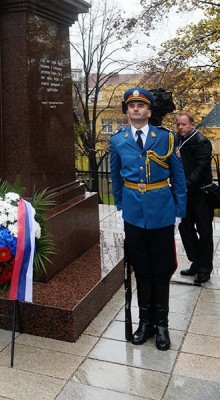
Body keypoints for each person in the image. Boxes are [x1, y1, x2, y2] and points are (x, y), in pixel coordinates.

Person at [110, 87, 186, 350]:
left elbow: (178, 178)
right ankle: (145, 323)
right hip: (133, 214)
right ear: (127, 111)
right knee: (141, 270)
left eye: (141, 106)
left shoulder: (166, 138)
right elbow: (115, 177)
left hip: (162, 213)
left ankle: (162, 325)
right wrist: (120, 207)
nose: (136, 110)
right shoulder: (118, 140)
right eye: (131, 106)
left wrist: (179, 212)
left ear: (149, 111)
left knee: (161, 269)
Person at [175, 112, 214, 286]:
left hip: (201, 194)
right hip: (186, 194)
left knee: (204, 231)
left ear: (192, 124)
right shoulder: (178, 140)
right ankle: (196, 262)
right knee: (185, 227)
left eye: (184, 124)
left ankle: (205, 269)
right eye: (178, 124)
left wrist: (185, 184)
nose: (180, 127)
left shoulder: (201, 142)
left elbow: (200, 168)